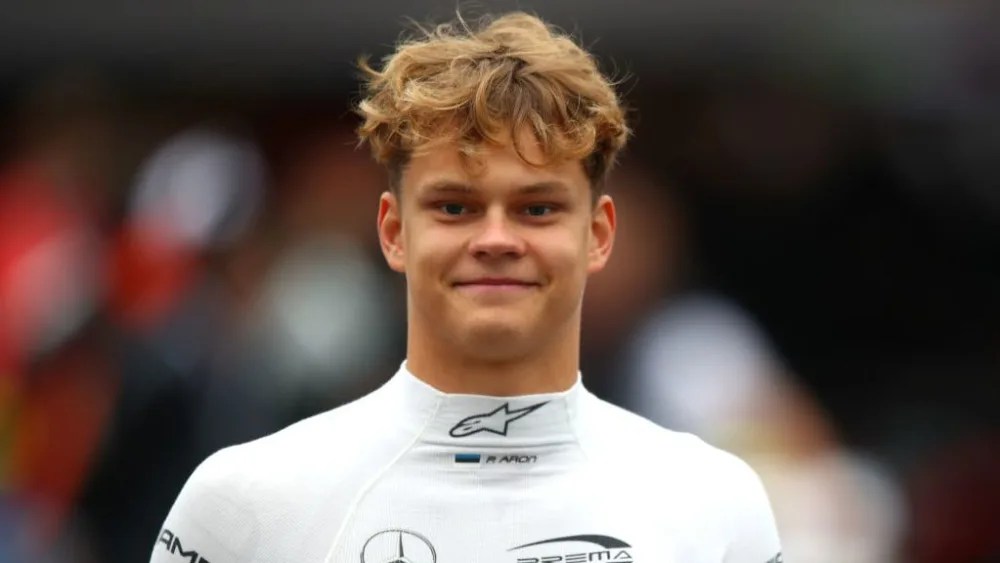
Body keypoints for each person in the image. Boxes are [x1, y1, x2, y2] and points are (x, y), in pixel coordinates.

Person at [149, 12, 783, 563]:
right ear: (394, 232)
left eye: (537, 209)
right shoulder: (245, 503)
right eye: (455, 207)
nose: (497, 238)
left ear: (599, 234)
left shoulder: (713, 503)